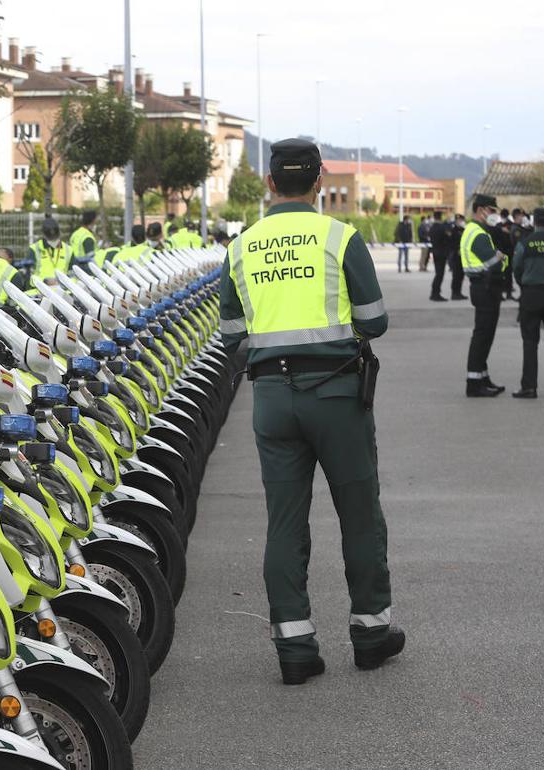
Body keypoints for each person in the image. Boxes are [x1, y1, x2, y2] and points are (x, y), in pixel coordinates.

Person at [218, 138, 402, 685]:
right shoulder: (339, 238)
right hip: (337, 395)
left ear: (271, 183)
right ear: (320, 180)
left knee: (284, 523)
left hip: (272, 400)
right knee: (360, 515)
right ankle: (370, 634)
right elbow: (374, 321)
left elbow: (232, 334)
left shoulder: (243, 245)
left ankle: (295, 648)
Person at [460, 194, 511, 396]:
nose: (493, 214)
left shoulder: (476, 231)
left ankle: (482, 376)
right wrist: (501, 257)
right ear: (481, 209)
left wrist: (500, 256)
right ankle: (474, 383)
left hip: (484, 287)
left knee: (485, 335)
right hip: (485, 287)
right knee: (482, 335)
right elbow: (497, 264)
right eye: (491, 210)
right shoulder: (479, 235)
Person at [511, 207, 544, 398]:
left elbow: (517, 268)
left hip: (531, 296)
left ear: (535, 222)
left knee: (530, 342)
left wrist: (525, 285)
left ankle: (529, 387)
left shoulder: (525, 243)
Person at [27, 217, 69, 283]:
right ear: (44, 235)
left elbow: (73, 276)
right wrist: (44, 282)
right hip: (41, 291)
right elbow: (29, 276)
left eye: (55, 237)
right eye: (51, 237)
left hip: (63, 291)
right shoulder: (34, 249)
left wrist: (64, 283)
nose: (53, 240)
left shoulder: (68, 250)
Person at [428, 211, 451, 300]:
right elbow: (448, 238)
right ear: (440, 217)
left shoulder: (432, 227)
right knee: (440, 274)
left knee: (438, 273)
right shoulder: (442, 228)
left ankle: (434, 292)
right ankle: (435, 294)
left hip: (435, 252)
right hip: (442, 252)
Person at [449, 214, 468, 300]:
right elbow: (451, 243)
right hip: (455, 256)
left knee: (461, 275)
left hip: (462, 256)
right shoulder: (453, 230)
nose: (461, 222)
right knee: (456, 275)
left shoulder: (463, 230)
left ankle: (459, 292)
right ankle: (454, 293)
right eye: (460, 220)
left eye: (462, 220)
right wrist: (456, 249)